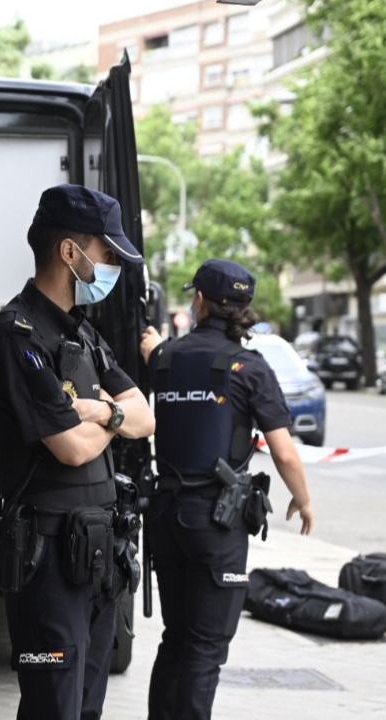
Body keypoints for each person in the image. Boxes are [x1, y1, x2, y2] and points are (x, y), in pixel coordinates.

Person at [0, 184, 155, 720]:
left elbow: (145, 416)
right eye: (107, 254)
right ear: (70, 253)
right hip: (48, 557)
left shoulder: (85, 334)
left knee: (86, 707)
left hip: (97, 552)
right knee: (53, 706)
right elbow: (71, 449)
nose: (113, 268)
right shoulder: (16, 335)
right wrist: (116, 419)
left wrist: (101, 412)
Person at [139, 259, 314, 720]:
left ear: (198, 301)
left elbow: (153, 360)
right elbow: (285, 453)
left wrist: (155, 347)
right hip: (216, 523)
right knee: (206, 645)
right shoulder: (250, 368)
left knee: (176, 637)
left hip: (165, 516)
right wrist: (303, 499)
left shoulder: (165, 358)